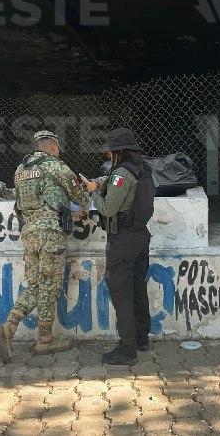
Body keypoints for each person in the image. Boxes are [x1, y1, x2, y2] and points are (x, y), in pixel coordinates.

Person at [0, 130, 90, 363]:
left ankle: (10, 326)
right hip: (51, 235)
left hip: (29, 235)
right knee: (49, 285)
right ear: (53, 147)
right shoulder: (56, 166)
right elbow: (82, 197)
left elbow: (19, 205)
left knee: (35, 285)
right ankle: (45, 340)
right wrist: (83, 200)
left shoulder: (20, 170)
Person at [82, 128, 155, 366]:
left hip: (122, 241)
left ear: (117, 152)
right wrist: (103, 183)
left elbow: (108, 209)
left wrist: (93, 192)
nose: (107, 155)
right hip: (140, 237)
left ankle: (126, 350)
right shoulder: (143, 169)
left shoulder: (122, 173)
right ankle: (141, 340)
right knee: (137, 288)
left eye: (110, 151)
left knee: (121, 293)